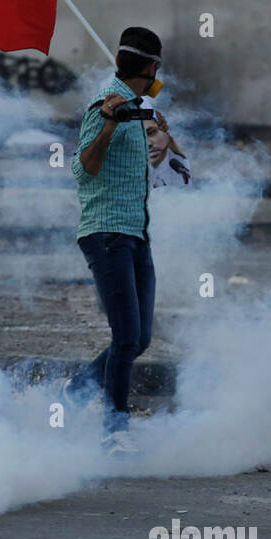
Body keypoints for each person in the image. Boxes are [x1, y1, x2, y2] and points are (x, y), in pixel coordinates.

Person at [61, 26, 168, 456]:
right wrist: (106, 125)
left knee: (139, 338)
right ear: (151, 66)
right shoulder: (105, 105)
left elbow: (161, 158)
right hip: (107, 235)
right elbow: (81, 169)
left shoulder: (140, 108)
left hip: (136, 234)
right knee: (125, 336)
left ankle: (76, 391)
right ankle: (114, 430)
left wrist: (163, 135)